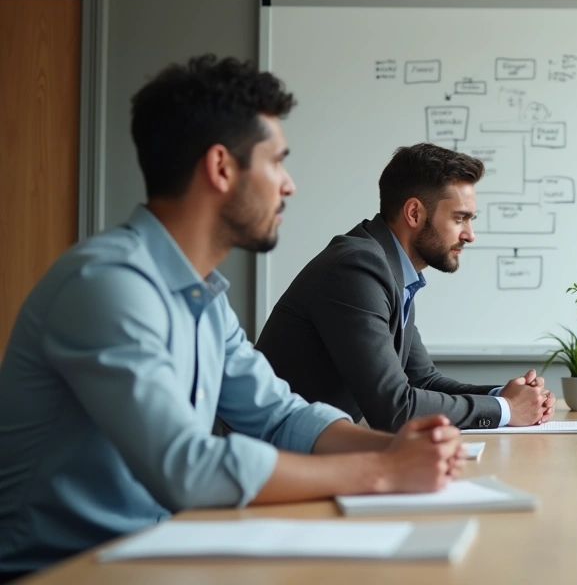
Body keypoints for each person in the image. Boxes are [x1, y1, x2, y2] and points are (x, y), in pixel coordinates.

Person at [0, 56, 465, 580]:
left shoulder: (202, 296)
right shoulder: (108, 285)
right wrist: (382, 470)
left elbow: (280, 415)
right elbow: (187, 467)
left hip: (159, 553)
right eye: (276, 162)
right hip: (63, 572)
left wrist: (399, 447)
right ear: (221, 167)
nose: (288, 185)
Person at [256, 143, 555, 431]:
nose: (470, 235)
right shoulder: (357, 269)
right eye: (459, 218)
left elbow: (423, 381)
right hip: (268, 459)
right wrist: (506, 410)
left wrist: (504, 396)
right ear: (414, 213)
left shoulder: (392, 270)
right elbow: (395, 408)